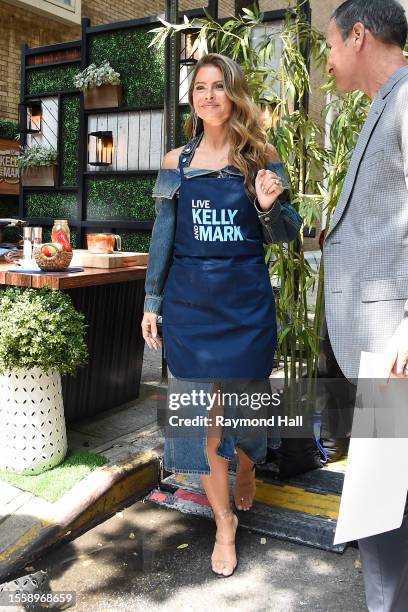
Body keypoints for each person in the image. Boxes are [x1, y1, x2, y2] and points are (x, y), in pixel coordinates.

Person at [141, 53, 301, 577]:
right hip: (191, 308)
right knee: (206, 422)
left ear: (233, 94)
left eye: (218, 86)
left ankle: (249, 465)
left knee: (245, 411)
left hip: (245, 306)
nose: (208, 95)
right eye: (200, 87)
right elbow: (162, 239)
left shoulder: (261, 157)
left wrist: (267, 206)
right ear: (193, 99)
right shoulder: (175, 163)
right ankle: (224, 523)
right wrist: (151, 302)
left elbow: (287, 233)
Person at [325, 1, 408, 609]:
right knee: (389, 492)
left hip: (393, 347)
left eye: (330, 46)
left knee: (383, 495)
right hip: (382, 345)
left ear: (358, 36)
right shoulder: (384, 105)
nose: (326, 61)